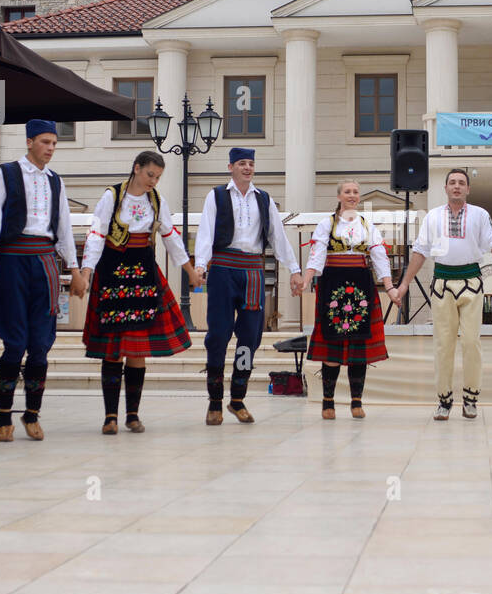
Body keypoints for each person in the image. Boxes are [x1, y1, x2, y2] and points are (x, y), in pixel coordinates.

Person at [0, 119, 85, 442]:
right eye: (45, 142)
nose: (50, 148)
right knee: (14, 342)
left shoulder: (55, 181)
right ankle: (4, 416)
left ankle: (33, 414)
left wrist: (75, 269)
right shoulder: (6, 174)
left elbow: (64, 227)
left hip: (46, 262)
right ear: (29, 142)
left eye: (54, 143)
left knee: (40, 343)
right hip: (12, 260)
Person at [81, 151, 200, 434]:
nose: (153, 181)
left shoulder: (156, 201)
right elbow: (97, 234)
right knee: (113, 350)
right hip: (113, 274)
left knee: (137, 349)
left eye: (158, 177)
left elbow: (171, 237)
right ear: (136, 169)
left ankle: (132, 415)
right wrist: (86, 271)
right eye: (150, 175)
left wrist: (191, 271)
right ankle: (110, 416)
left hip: (144, 275)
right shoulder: (113, 196)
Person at [391, 168, 492, 419]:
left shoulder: (480, 215)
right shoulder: (433, 217)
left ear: (468, 189)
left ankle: (471, 398)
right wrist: (404, 283)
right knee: (443, 345)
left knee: (471, 342)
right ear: (445, 188)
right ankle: (444, 400)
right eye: (452, 183)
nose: (457, 186)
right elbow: (420, 251)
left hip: (471, 281)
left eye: (461, 183)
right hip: (442, 284)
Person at [193, 148, 303, 425]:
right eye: (242, 163)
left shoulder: (263, 199)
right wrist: (200, 264)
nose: (247, 168)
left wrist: (295, 269)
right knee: (218, 334)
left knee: (250, 337)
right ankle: (215, 401)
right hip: (222, 268)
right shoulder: (217, 195)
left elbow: (278, 237)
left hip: (253, 271)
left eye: (251, 163)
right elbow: (205, 231)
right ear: (230, 166)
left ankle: (237, 398)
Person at [298, 180, 393, 419]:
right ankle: (327, 402)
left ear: (359, 197)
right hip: (333, 285)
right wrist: (306, 279)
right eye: (347, 192)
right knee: (332, 343)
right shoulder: (326, 224)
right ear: (339, 196)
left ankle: (356, 402)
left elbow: (380, 256)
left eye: (355, 192)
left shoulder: (367, 224)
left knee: (358, 347)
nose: (352, 195)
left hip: (361, 285)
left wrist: (390, 287)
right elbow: (317, 254)